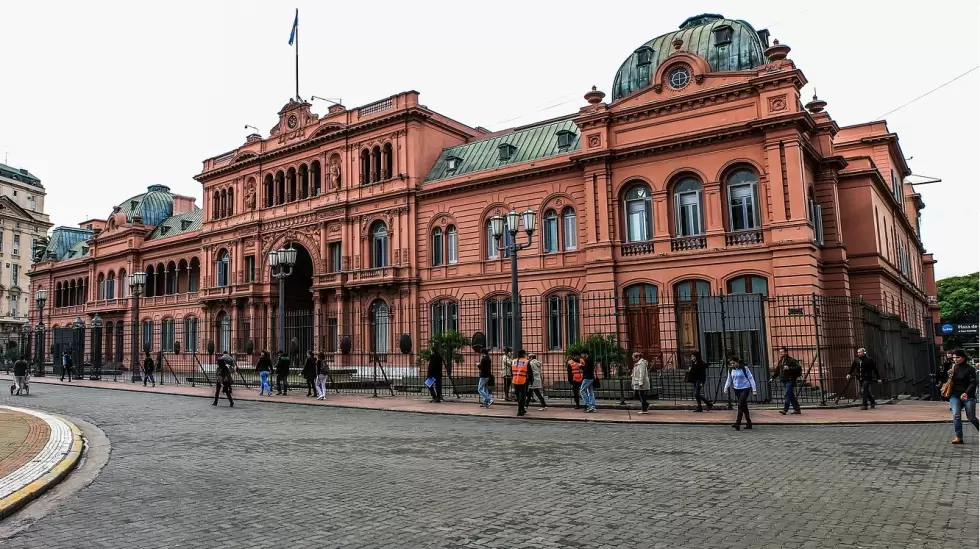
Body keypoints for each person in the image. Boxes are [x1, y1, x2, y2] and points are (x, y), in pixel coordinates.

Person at [947, 349, 978, 444]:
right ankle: (959, 437)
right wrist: (948, 375)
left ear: (963, 357)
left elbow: (973, 383)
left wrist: (966, 393)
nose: (955, 359)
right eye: (954, 357)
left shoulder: (970, 369)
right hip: (954, 395)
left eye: (958, 357)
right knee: (956, 415)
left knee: (971, 418)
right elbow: (948, 381)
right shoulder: (953, 367)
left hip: (968, 395)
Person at [723, 357, 757, 431]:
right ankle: (749, 422)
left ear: (737, 362)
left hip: (745, 388)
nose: (733, 365)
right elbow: (729, 380)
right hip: (736, 389)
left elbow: (751, 378)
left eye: (734, 363)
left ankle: (737, 423)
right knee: (744, 406)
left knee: (740, 404)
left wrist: (754, 389)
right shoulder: (731, 370)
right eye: (731, 363)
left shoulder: (744, 368)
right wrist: (726, 387)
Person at [771, 347, 802, 415]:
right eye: (780, 352)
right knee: (791, 395)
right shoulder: (781, 361)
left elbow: (798, 367)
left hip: (790, 380)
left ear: (786, 352)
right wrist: (772, 377)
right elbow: (777, 370)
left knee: (787, 394)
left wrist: (789, 368)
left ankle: (785, 409)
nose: (780, 353)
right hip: (784, 380)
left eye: (782, 352)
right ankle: (797, 409)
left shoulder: (791, 360)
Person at [511, 350, 531, 417]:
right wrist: (531, 381)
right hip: (523, 381)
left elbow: (512, 371)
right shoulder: (526, 361)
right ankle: (520, 411)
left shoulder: (513, 361)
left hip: (515, 380)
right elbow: (530, 372)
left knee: (518, 396)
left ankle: (522, 409)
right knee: (522, 397)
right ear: (523, 354)